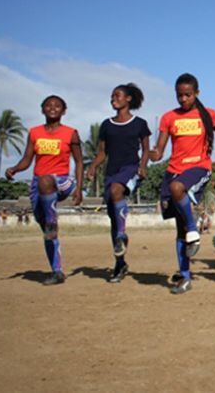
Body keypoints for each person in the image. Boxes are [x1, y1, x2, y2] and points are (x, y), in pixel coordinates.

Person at [149, 73, 215, 294]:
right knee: (180, 230)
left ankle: (194, 226)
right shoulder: (168, 117)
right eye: (179, 95)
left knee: (181, 199)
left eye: (188, 95)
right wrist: (152, 154)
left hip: (198, 169)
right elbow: (160, 149)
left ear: (197, 93)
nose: (183, 99)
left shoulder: (209, 115)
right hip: (173, 172)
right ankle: (185, 277)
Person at [5, 95, 83, 285]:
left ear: (64, 111)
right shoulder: (34, 133)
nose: (53, 108)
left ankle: (51, 220)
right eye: (49, 105)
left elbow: (79, 161)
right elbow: (27, 159)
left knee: (47, 181)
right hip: (38, 184)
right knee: (47, 230)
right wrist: (15, 168)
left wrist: (79, 188)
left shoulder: (70, 133)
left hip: (62, 181)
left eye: (57, 106)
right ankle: (57, 271)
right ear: (43, 110)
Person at [86, 83, 151, 283]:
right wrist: (93, 166)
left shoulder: (140, 123)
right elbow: (102, 152)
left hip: (130, 169)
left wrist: (142, 166)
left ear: (128, 99)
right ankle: (120, 263)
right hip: (111, 172)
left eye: (117, 95)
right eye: (112, 96)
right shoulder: (107, 125)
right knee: (114, 219)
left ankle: (122, 235)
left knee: (117, 191)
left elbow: (146, 149)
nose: (113, 98)